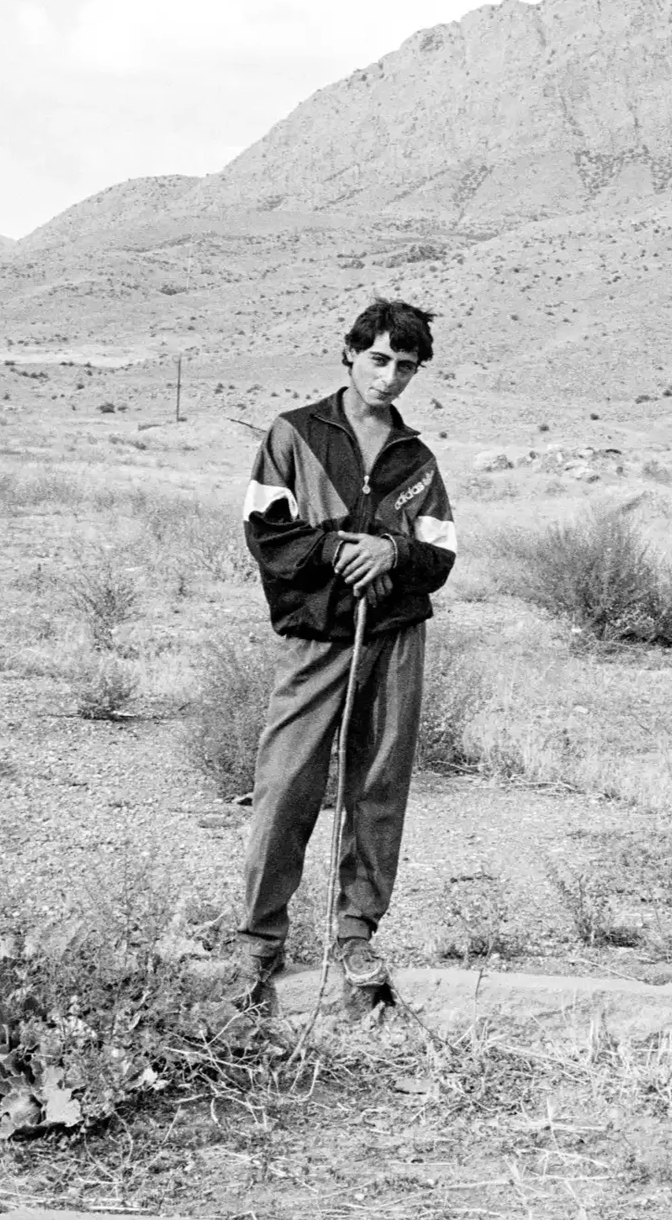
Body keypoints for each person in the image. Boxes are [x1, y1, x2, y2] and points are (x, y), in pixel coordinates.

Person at [233, 298, 457, 1013]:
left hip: (394, 637)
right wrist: (336, 548)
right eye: (379, 359)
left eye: (406, 366)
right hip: (317, 636)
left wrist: (392, 549)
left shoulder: (415, 457)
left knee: (377, 784)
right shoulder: (295, 434)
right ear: (350, 353)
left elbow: (440, 553)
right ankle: (258, 939)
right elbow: (266, 530)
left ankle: (355, 931)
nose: (389, 378)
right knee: (286, 780)